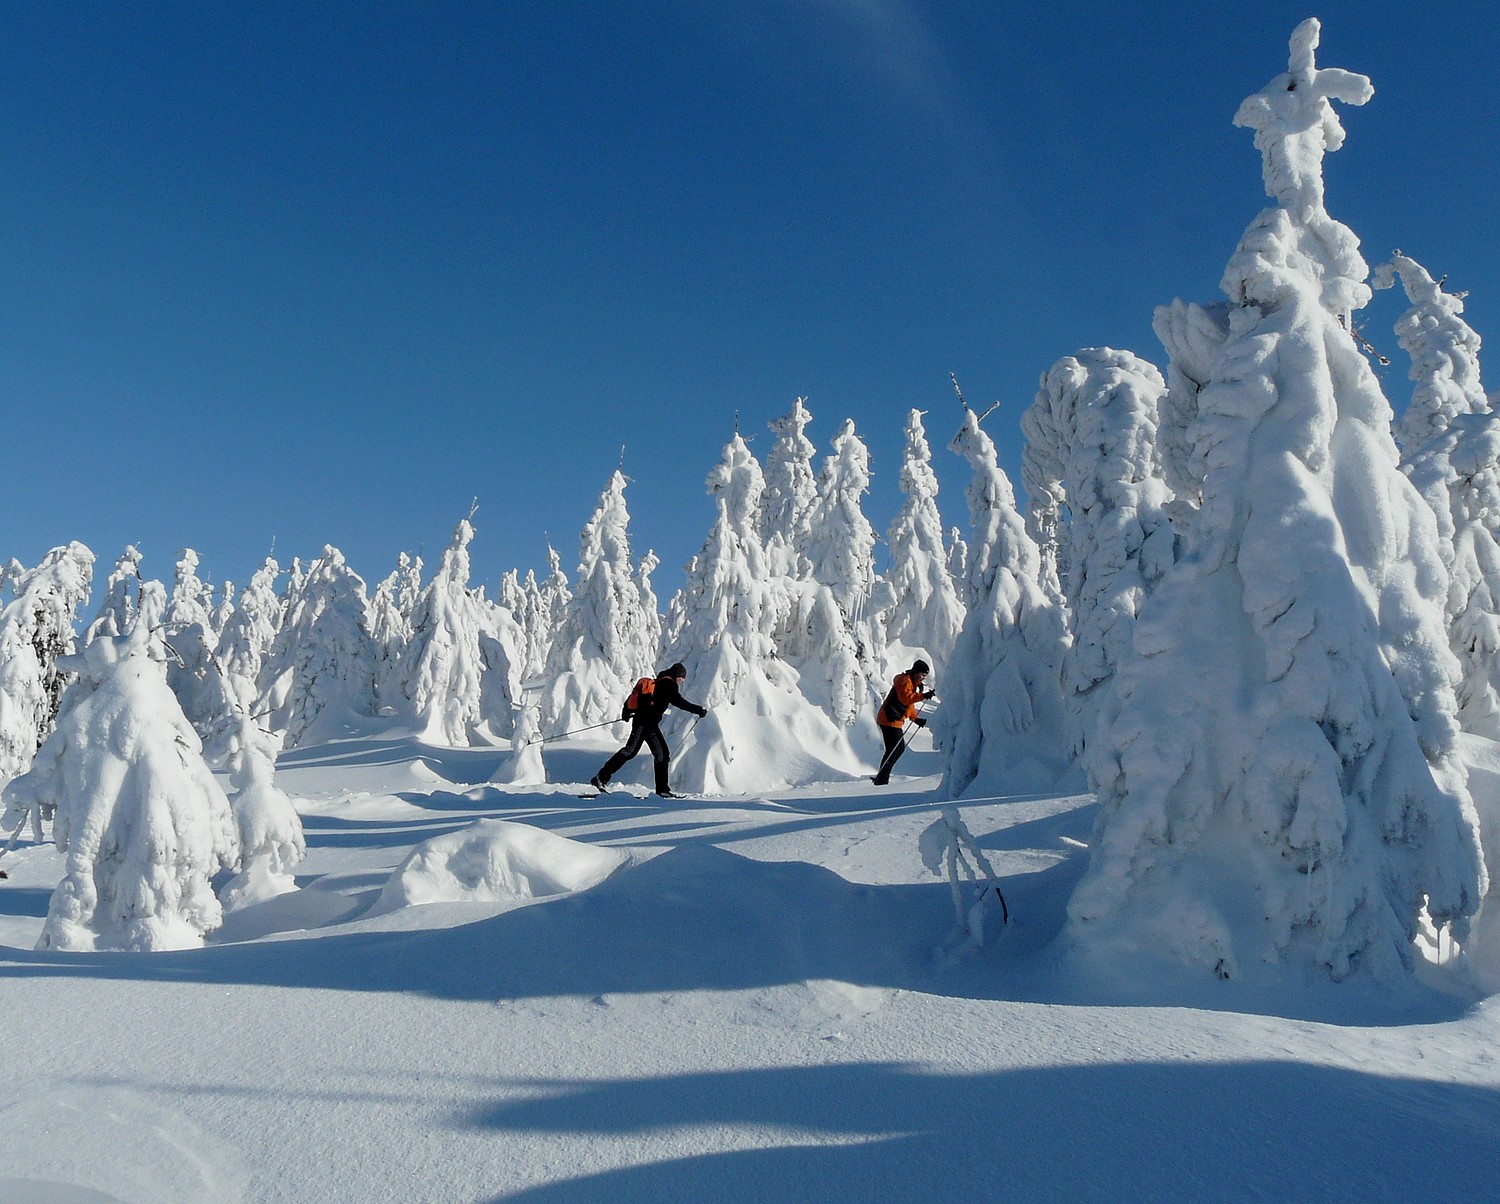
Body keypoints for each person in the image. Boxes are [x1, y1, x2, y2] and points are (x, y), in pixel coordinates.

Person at [591, 662, 706, 799]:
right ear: (676, 675)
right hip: (645, 723)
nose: (682, 681)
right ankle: (601, 777)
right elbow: (679, 702)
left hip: (647, 723)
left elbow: (637, 699)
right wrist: (698, 710)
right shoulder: (669, 684)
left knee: (660, 753)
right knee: (634, 751)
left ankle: (662, 789)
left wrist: (626, 711)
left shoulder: (658, 682)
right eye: (681, 678)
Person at [871, 659, 935, 786]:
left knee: (896, 749)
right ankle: (882, 778)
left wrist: (915, 719)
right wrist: (923, 696)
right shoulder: (904, 681)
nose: (923, 678)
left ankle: (882, 777)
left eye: (925, 676)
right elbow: (905, 699)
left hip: (893, 720)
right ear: (916, 672)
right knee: (895, 749)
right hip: (888, 719)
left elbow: (909, 705)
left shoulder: (911, 684)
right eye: (922, 675)